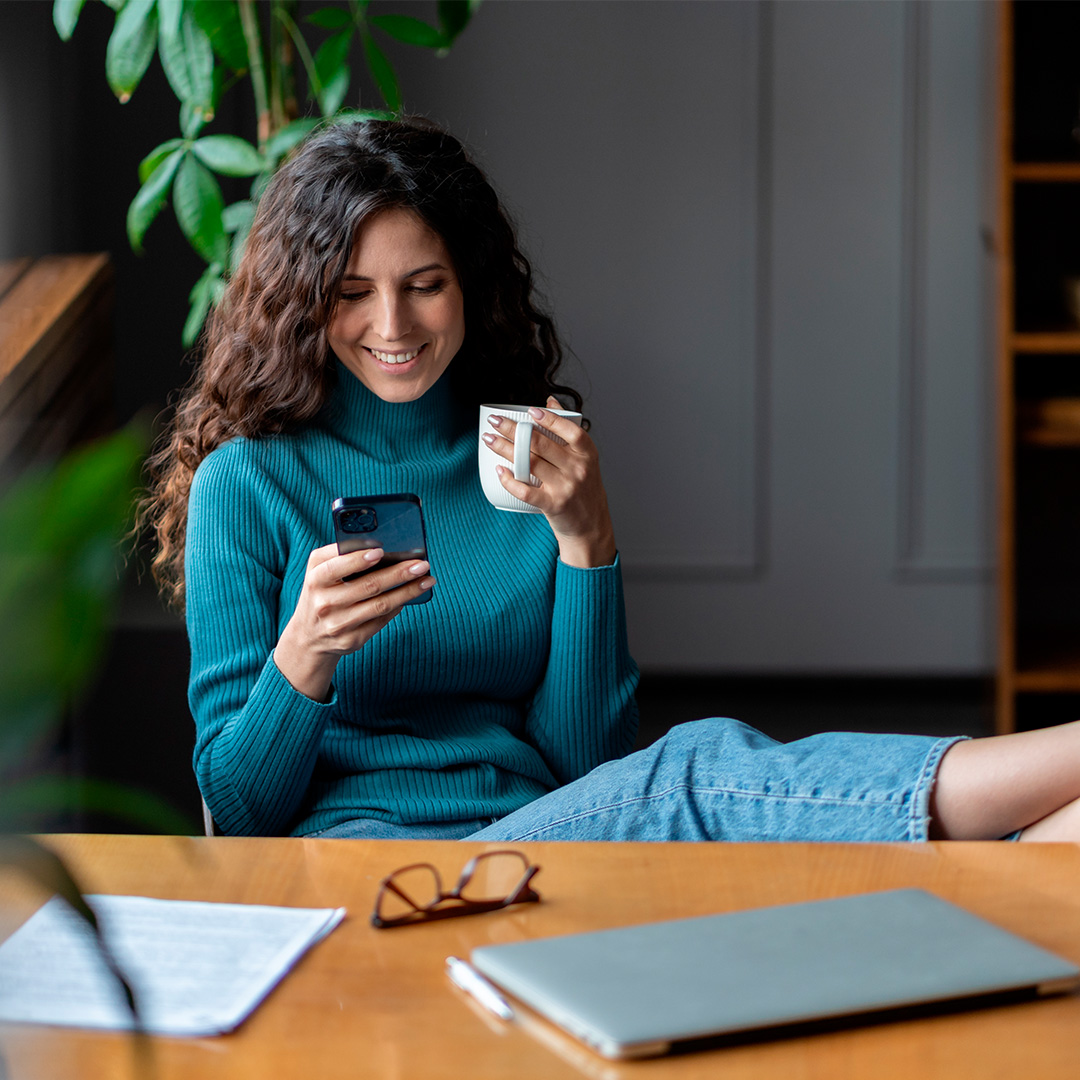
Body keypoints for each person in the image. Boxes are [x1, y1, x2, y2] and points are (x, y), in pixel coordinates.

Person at [143, 116, 1080, 844]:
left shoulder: (526, 459)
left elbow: (586, 762)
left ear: (468, 282)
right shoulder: (249, 484)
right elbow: (242, 817)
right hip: (367, 868)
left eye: (424, 283)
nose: (392, 323)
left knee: (1043, 847)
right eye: (352, 292)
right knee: (701, 770)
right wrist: (304, 652)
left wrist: (589, 543)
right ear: (307, 301)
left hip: (540, 843)